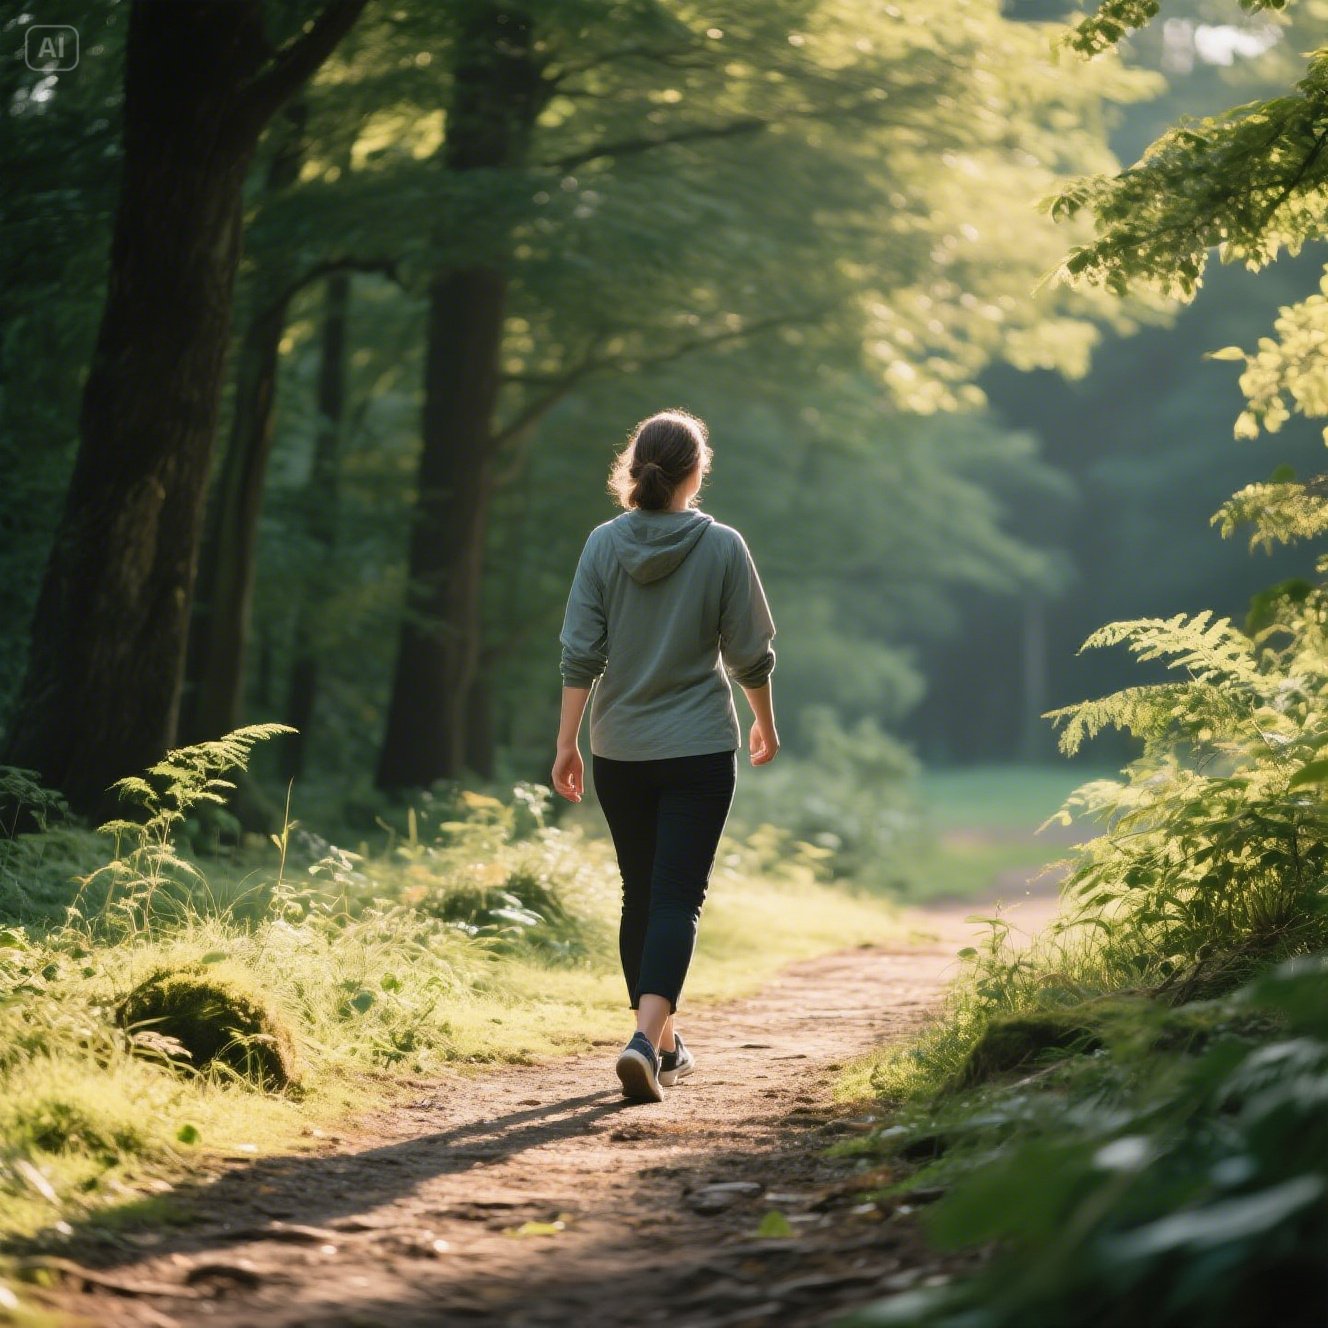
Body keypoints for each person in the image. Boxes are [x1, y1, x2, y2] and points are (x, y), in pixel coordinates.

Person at [552, 407, 779, 1102]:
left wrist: (566, 741)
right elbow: (751, 652)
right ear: (696, 471)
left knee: (640, 893)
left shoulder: (601, 544)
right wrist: (764, 720)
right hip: (700, 745)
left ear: (635, 470)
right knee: (677, 897)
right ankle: (647, 1044)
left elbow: (580, 653)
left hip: (619, 746)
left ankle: (664, 1043)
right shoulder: (722, 547)